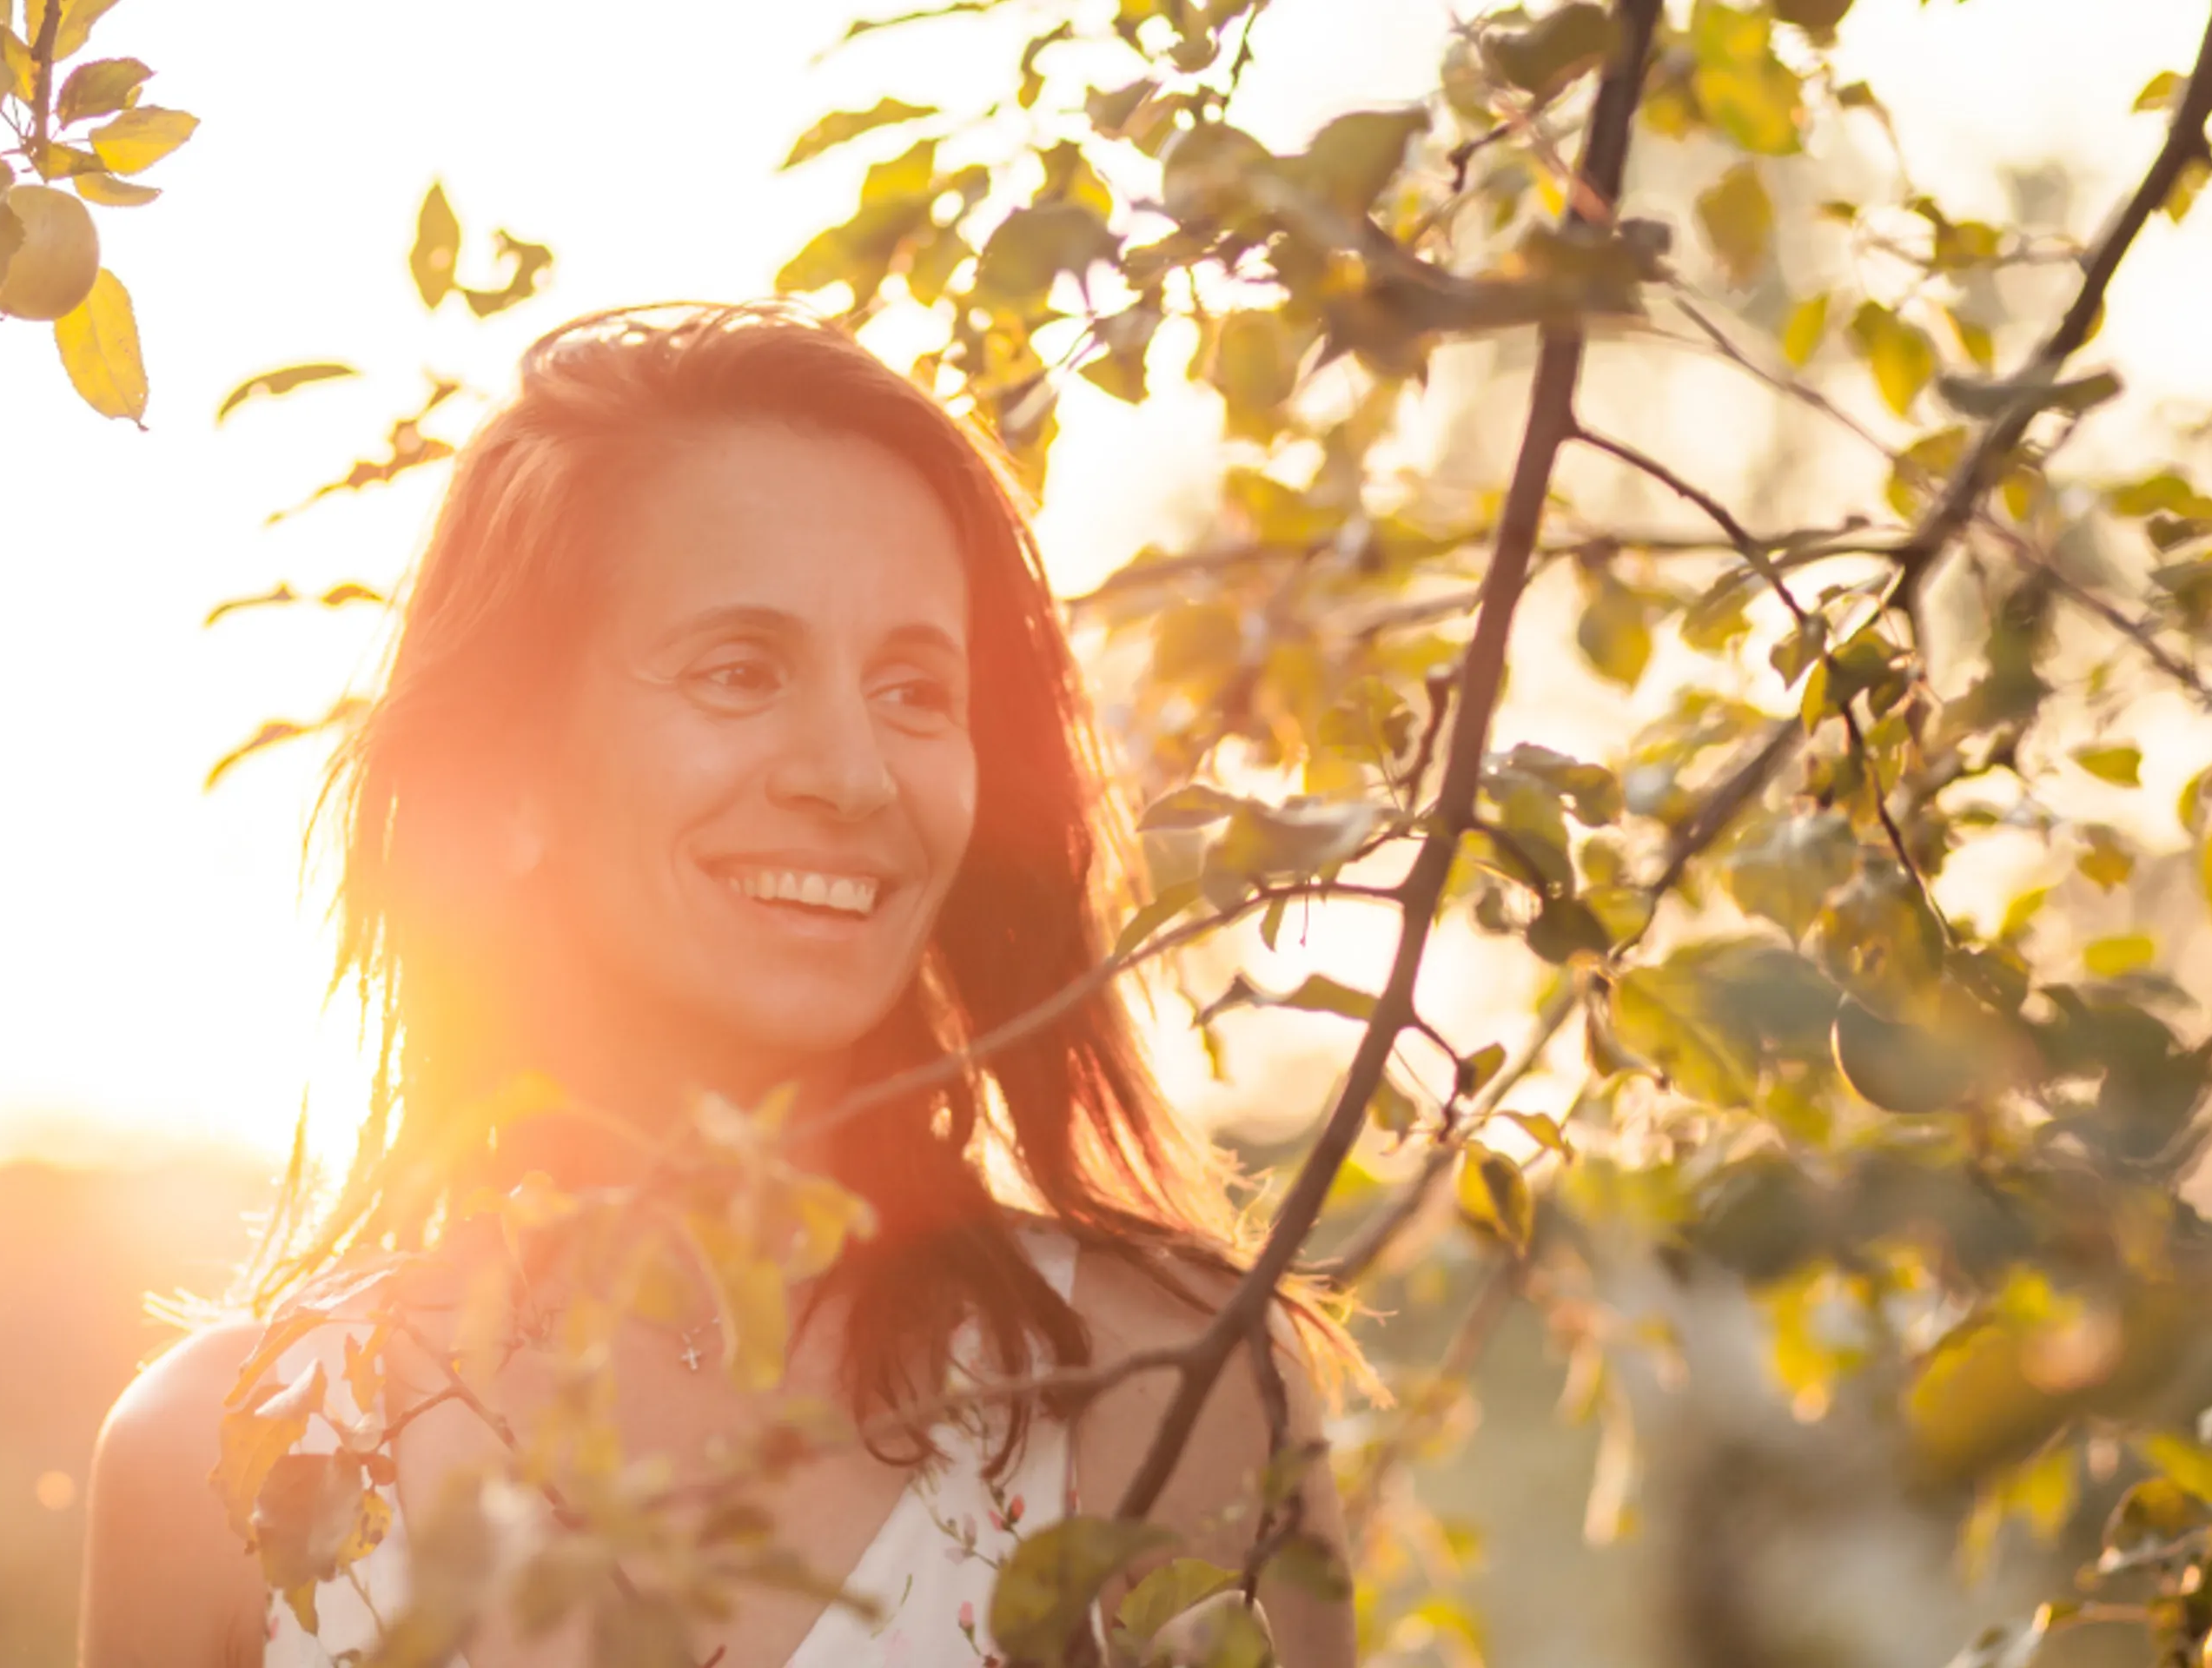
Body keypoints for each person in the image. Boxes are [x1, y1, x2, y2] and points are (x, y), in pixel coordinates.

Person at [78, 303, 1361, 1668]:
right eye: (740, 673)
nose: (855, 775)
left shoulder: (1161, 1392)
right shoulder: (225, 1465)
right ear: (511, 775)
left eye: (916, 690)